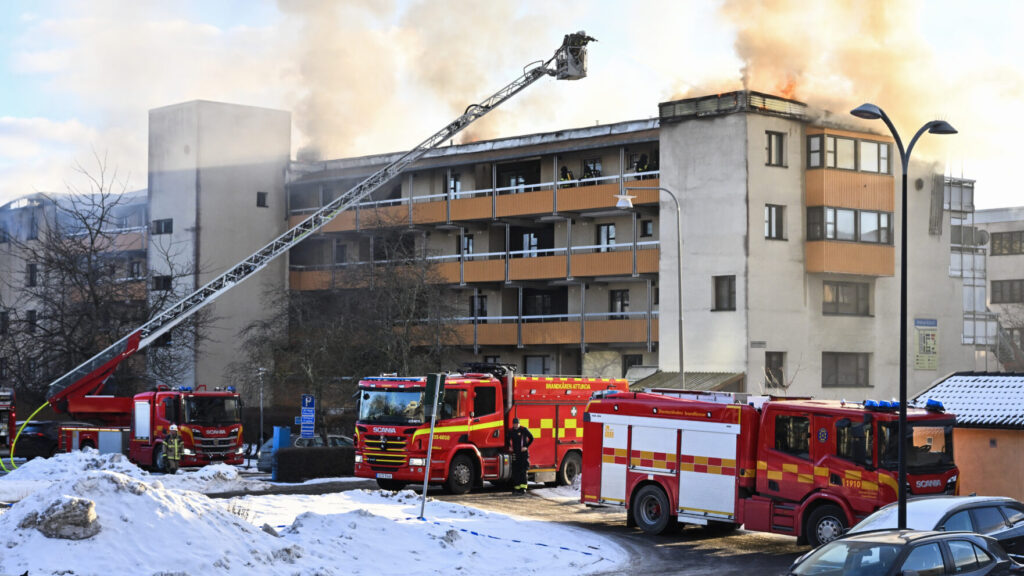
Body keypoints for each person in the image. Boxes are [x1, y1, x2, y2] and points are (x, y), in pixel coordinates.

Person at [507, 417, 534, 495]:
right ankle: (516, 488)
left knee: (523, 472)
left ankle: (523, 489)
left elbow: (532, 438)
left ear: (519, 423)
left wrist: (526, 447)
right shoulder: (511, 431)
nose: (515, 425)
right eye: (514, 424)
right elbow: (507, 439)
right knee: (516, 472)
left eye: (517, 424)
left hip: (523, 454)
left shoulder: (523, 430)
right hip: (515, 454)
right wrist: (509, 446)